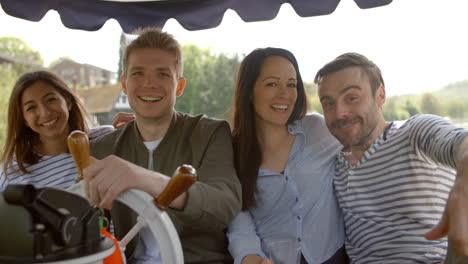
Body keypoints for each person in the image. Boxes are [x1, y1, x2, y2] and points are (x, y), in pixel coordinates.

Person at [85, 28, 242, 264]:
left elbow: (225, 205)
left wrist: (146, 179)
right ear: (124, 84)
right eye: (138, 73)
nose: (149, 84)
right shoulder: (101, 149)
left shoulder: (209, 133)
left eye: (162, 74)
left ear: (179, 85)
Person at [314, 52, 468, 263]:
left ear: (381, 95)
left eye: (352, 98)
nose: (340, 113)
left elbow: (459, 142)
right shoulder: (333, 163)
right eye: (329, 103)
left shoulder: (414, 132)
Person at [227, 47, 348, 264]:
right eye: (272, 83)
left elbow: (366, 141)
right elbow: (238, 221)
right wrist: (252, 258)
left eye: (291, 84)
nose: (285, 94)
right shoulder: (231, 152)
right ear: (249, 92)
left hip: (334, 256)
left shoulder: (317, 129)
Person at [0, 70, 112, 191]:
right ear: (24, 119)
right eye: (31, 107)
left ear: (68, 102)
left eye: (51, 100)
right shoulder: (10, 174)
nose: (45, 113)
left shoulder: (107, 139)